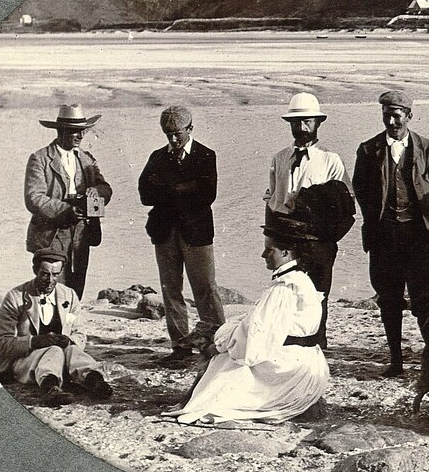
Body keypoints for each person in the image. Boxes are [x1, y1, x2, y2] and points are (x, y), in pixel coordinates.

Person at [163, 219, 329, 425]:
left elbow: (256, 341)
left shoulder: (284, 288)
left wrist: (217, 347)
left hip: (293, 369)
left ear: (286, 253)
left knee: (226, 360)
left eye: (270, 250)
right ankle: (194, 397)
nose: (263, 255)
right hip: (310, 362)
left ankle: (193, 401)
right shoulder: (301, 279)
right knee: (231, 348)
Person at [352, 90, 429, 377]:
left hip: (416, 237)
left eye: (397, 115)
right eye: (386, 115)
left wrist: (421, 212)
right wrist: (378, 218)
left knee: (424, 298)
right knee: (388, 298)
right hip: (383, 238)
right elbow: (361, 189)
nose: (391, 121)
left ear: (409, 117)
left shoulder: (426, 147)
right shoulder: (368, 150)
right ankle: (396, 360)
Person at [264, 92, 353, 348]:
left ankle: (316, 345)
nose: (302, 128)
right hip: (284, 239)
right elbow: (272, 201)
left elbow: (346, 206)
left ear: (318, 123)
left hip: (317, 240)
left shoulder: (330, 160)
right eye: (296, 122)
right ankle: (289, 343)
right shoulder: (279, 159)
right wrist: (270, 240)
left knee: (317, 295)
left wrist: (327, 240)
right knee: (286, 290)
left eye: (307, 122)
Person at [138, 106, 225, 367]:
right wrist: (184, 189)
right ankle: (179, 345)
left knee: (206, 287)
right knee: (170, 288)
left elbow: (208, 194)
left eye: (177, 134)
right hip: (165, 232)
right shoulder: (157, 157)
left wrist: (167, 190)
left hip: (196, 232)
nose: (173, 140)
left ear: (190, 128)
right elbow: (144, 194)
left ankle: (217, 341)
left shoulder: (205, 156)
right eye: (169, 135)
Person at [0, 247, 113, 406]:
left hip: (62, 362)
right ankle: (49, 388)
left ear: (61, 271)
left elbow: (80, 334)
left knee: (72, 349)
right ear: (35, 270)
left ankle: (94, 380)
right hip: (25, 363)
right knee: (54, 350)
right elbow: (0, 344)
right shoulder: (15, 298)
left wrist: (68, 340)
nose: (50, 280)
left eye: (56, 274)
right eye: (45, 274)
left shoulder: (68, 295)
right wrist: (35, 341)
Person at [25, 104, 112, 299]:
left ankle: (69, 328)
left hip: (82, 232)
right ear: (60, 131)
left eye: (83, 131)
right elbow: (33, 198)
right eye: (75, 131)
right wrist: (65, 210)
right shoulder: (39, 159)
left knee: (76, 288)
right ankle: (49, 329)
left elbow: (106, 188)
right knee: (51, 286)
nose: (80, 136)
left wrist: (96, 191)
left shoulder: (87, 159)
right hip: (51, 233)